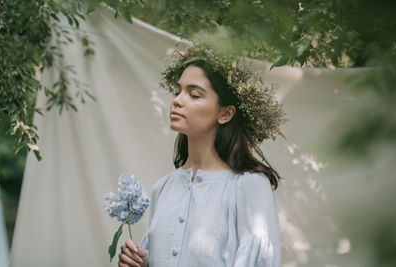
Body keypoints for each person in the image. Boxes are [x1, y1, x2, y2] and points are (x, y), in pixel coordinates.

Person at [118, 43, 287, 267]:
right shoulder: (163, 188)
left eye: (194, 94)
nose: (177, 100)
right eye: (177, 92)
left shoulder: (249, 186)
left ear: (225, 113)